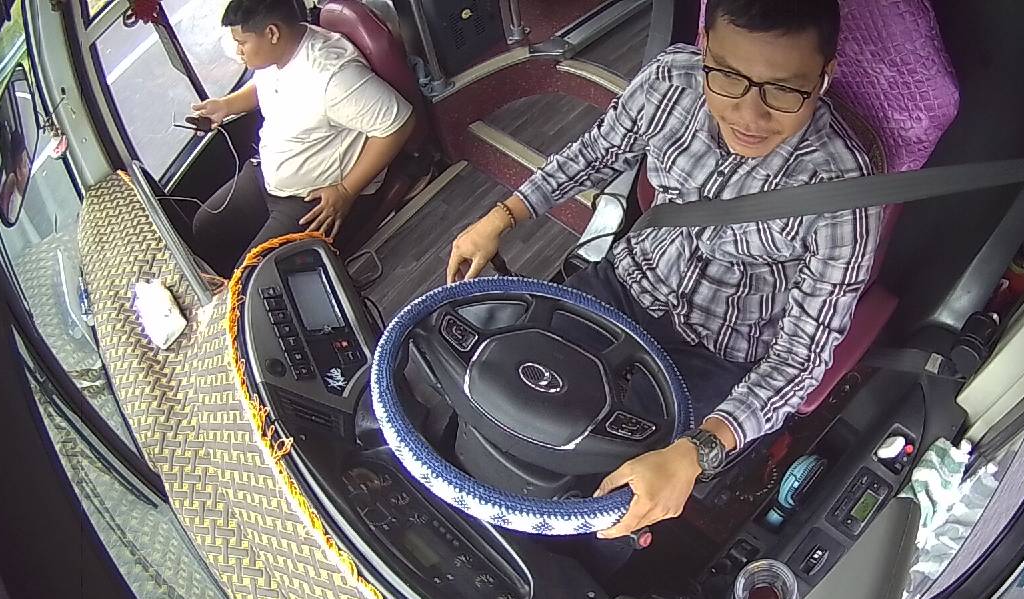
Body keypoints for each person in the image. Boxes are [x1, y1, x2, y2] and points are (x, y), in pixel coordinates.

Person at [447, 0, 878, 544]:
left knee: (611, 500)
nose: (750, 115)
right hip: (620, 285)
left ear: (824, 76)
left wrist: (697, 451)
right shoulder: (671, 81)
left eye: (784, 90)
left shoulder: (844, 194)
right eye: (728, 77)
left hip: (716, 354)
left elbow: (801, 356)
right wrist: (502, 216)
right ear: (705, 48)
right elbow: (595, 153)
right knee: (498, 394)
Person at [191, 0, 415, 272]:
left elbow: (399, 122)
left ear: (272, 33)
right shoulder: (277, 54)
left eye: (242, 43)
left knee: (252, 277)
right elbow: (264, 85)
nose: (238, 52)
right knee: (206, 227)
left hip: (311, 198)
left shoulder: (334, 77)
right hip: (268, 175)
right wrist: (226, 106)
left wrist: (345, 190)